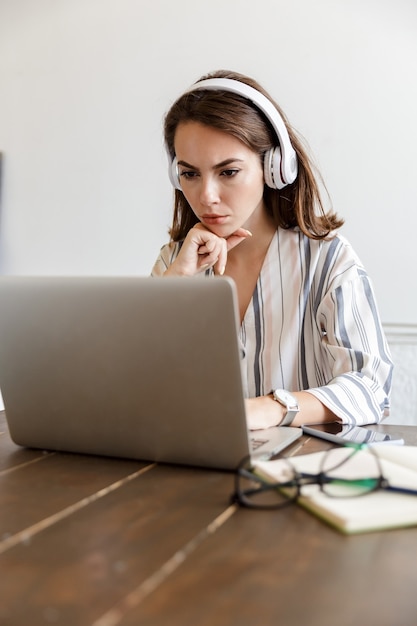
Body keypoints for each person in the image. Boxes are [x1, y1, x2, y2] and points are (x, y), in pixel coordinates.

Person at [151, 69, 393, 430]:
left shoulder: (327, 260)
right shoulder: (174, 261)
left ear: (275, 167)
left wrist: (272, 408)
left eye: (228, 172)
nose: (207, 197)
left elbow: (371, 387)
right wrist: (176, 283)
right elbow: (137, 386)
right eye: (190, 174)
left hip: (304, 472)